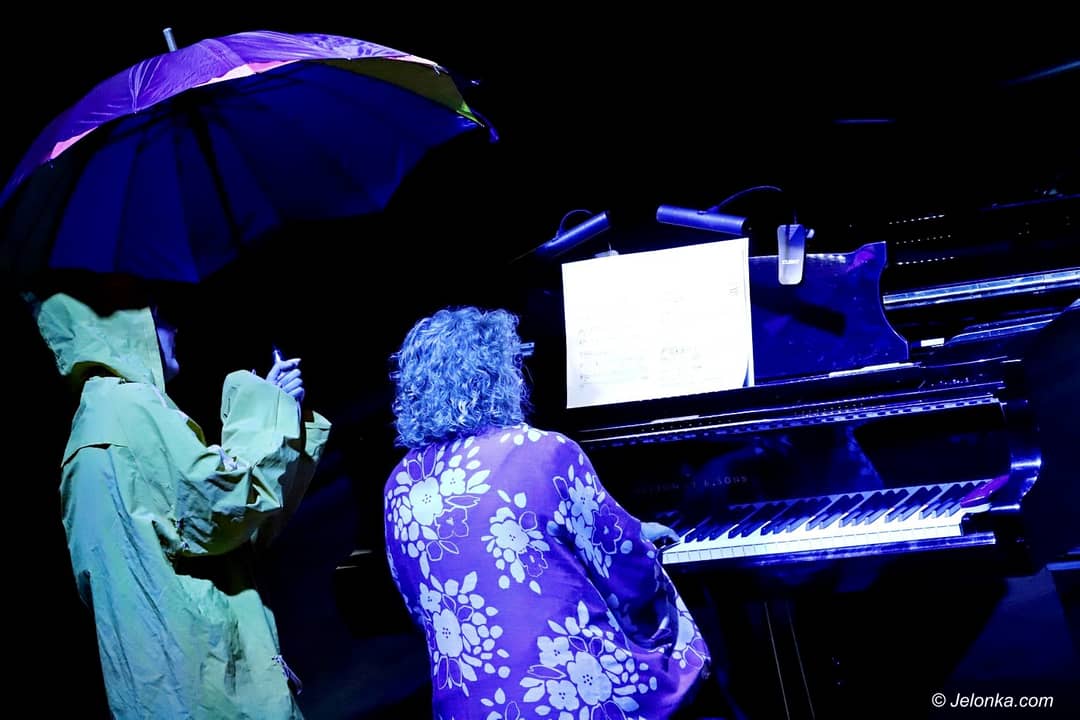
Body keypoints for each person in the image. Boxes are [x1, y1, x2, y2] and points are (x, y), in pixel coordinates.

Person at [383, 305, 716, 720]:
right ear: (498, 375)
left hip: (465, 708)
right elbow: (628, 576)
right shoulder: (542, 451)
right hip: (569, 700)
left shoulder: (399, 484)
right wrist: (638, 544)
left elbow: (419, 608)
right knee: (686, 645)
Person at [28, 288, 332, 719]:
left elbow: (195, 526)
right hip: (205, 682)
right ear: (125, 325)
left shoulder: (90, 429)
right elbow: (225, 509)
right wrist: (267, 410)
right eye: (158, 316)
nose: (174, 328)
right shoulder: (129, 408)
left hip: (159, 687)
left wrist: (276, 414)